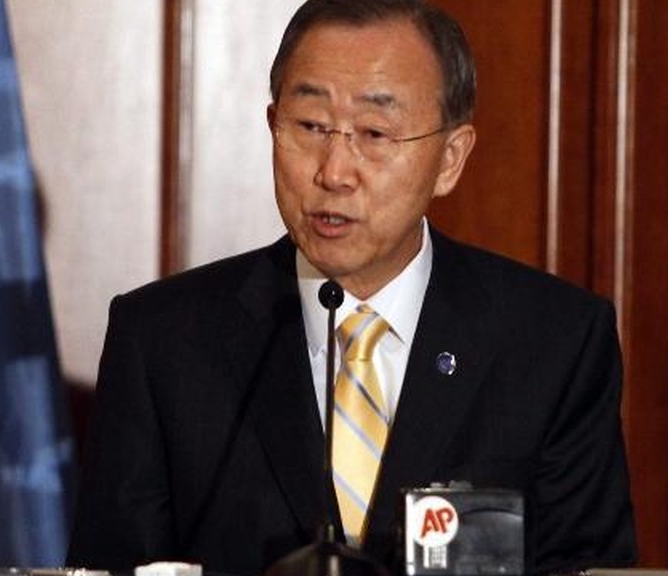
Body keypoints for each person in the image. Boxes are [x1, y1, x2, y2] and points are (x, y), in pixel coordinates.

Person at [66, 0, 637, 574]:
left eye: (375, 132)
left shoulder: (554, 344)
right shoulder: (164, 340)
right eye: (311, 126)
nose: (334, 172)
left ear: (449, 159)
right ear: (273, 125)